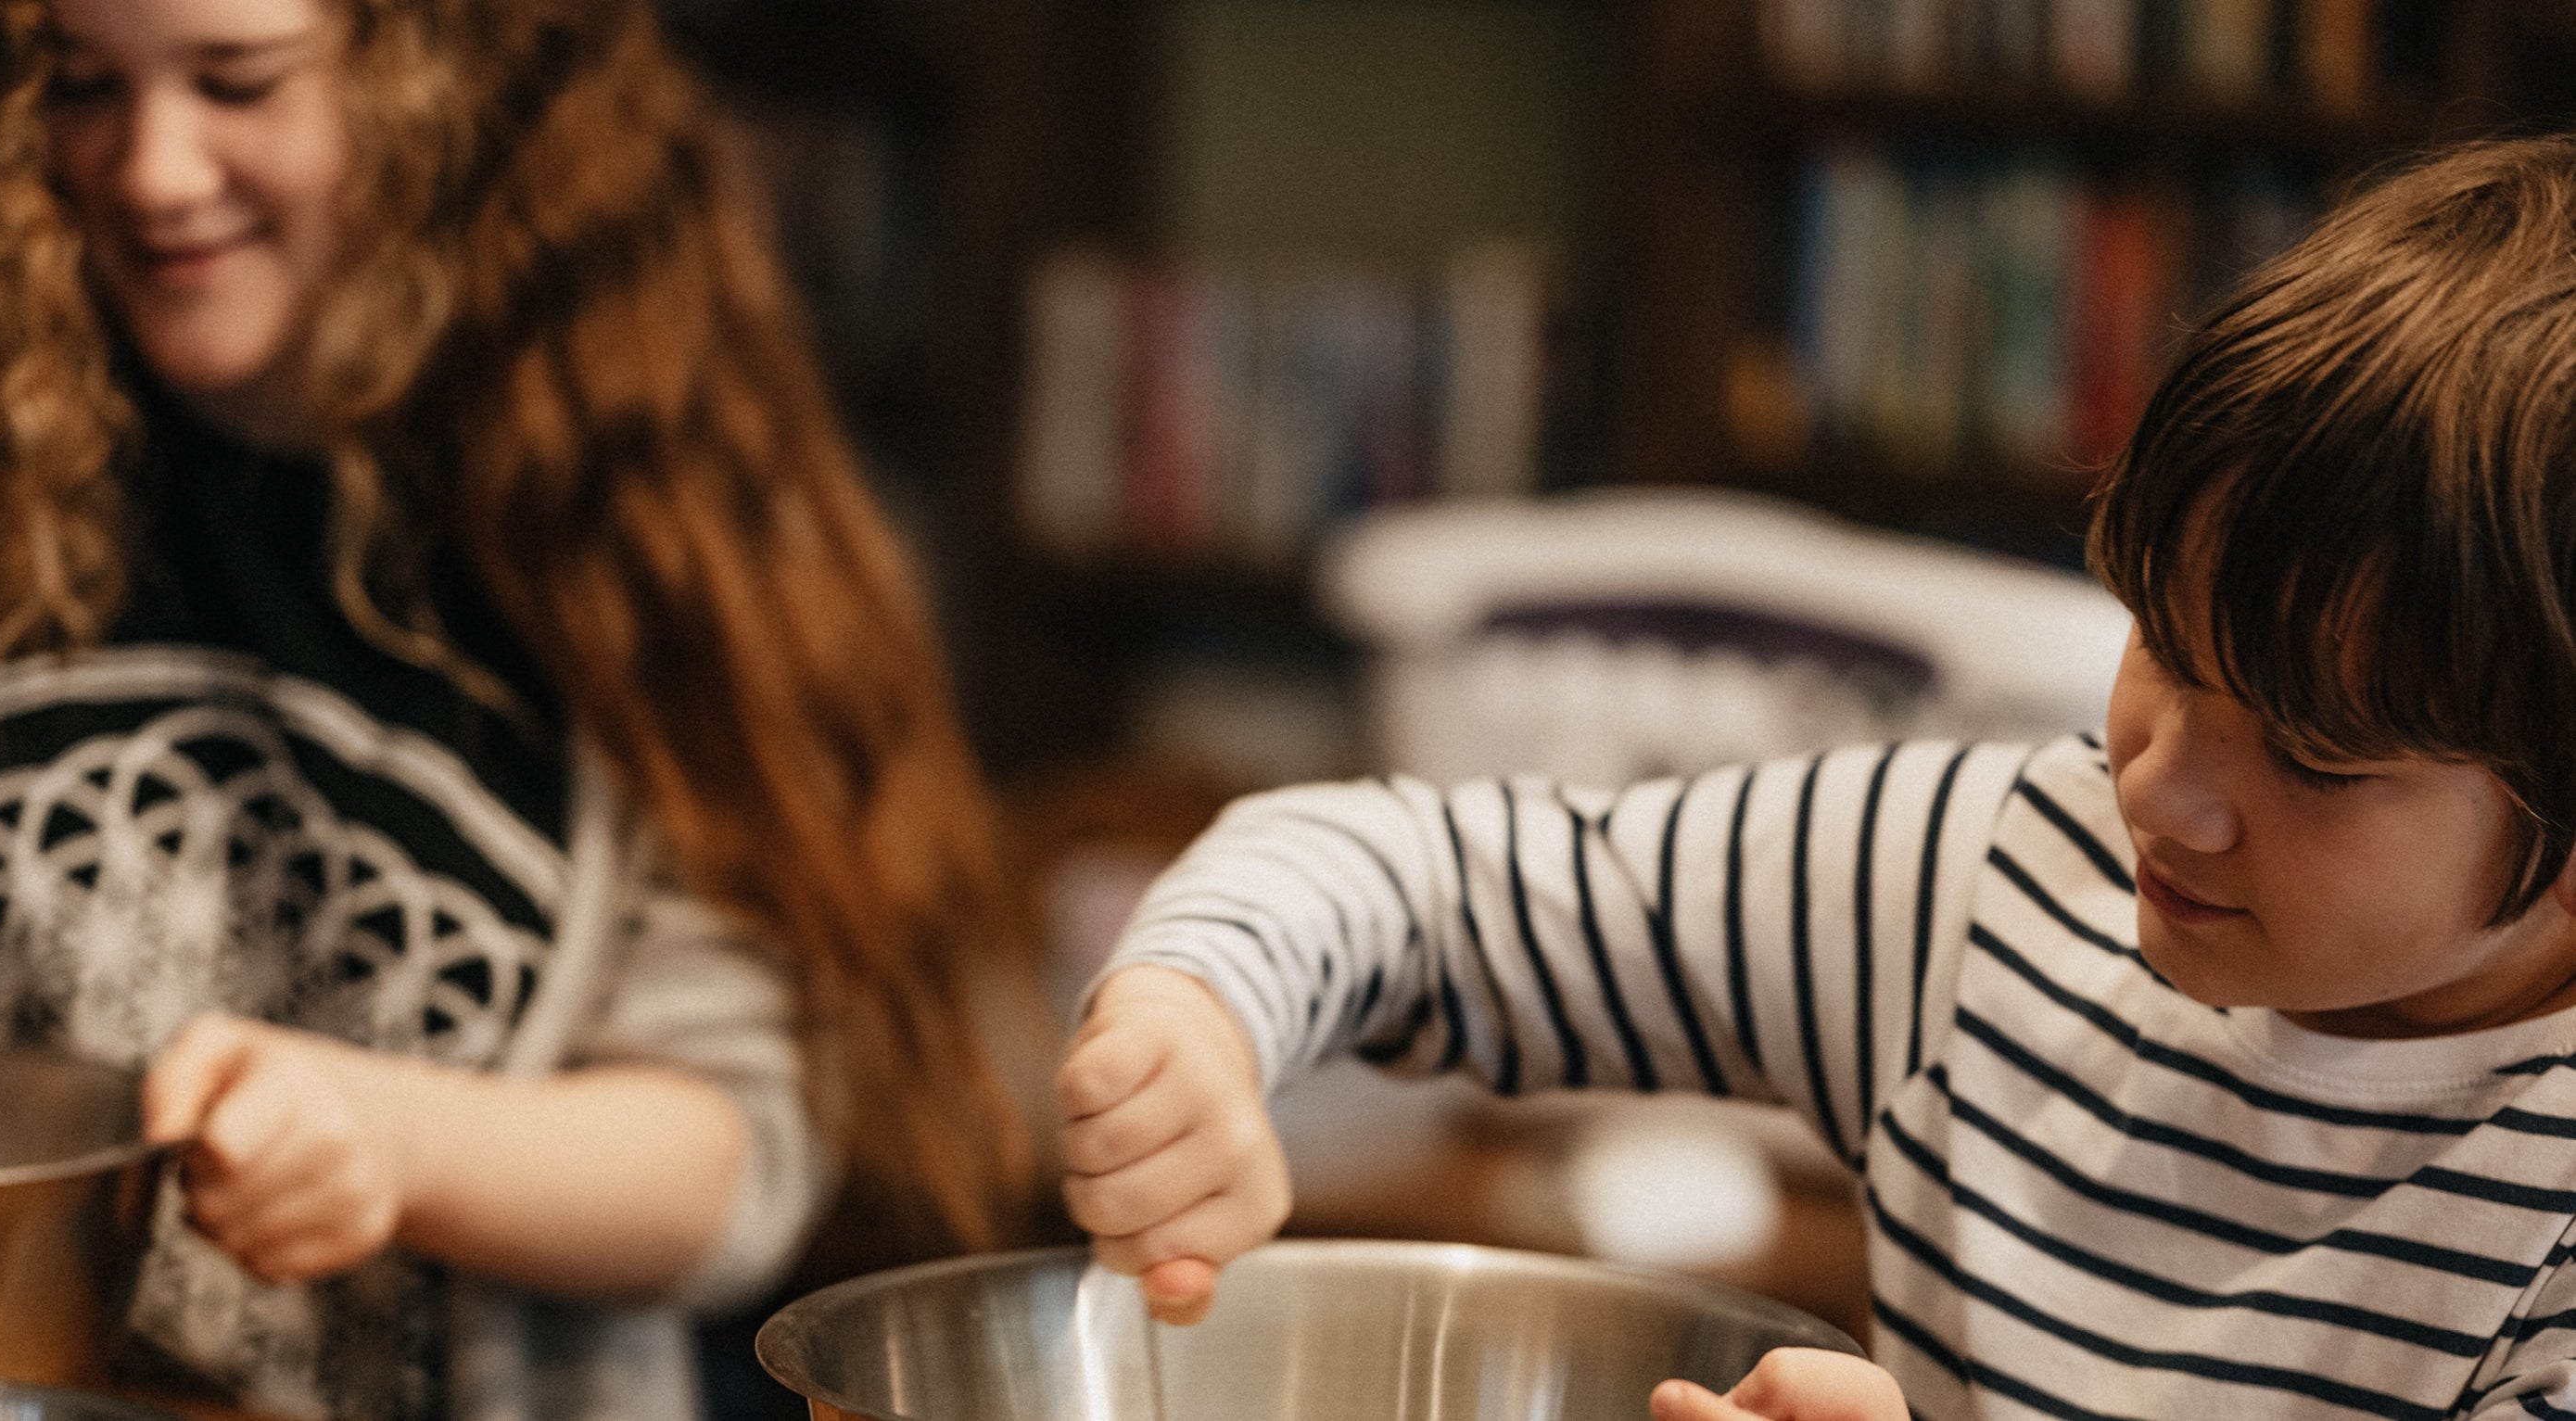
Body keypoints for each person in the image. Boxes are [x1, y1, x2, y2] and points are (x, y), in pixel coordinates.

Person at [0, 0, 1036, 1417]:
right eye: (82, 87)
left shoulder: (638, 520)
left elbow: (733, 1156)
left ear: (448, 79)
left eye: (239, 80)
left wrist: (401, 1145)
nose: (151, 171)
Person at [1058, 132, 2576, 1421]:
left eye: (2312, 755)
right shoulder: (1992, 875)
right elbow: (1407, 879)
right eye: (2165, 651)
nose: (2159, 791)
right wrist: (1199, 1009)